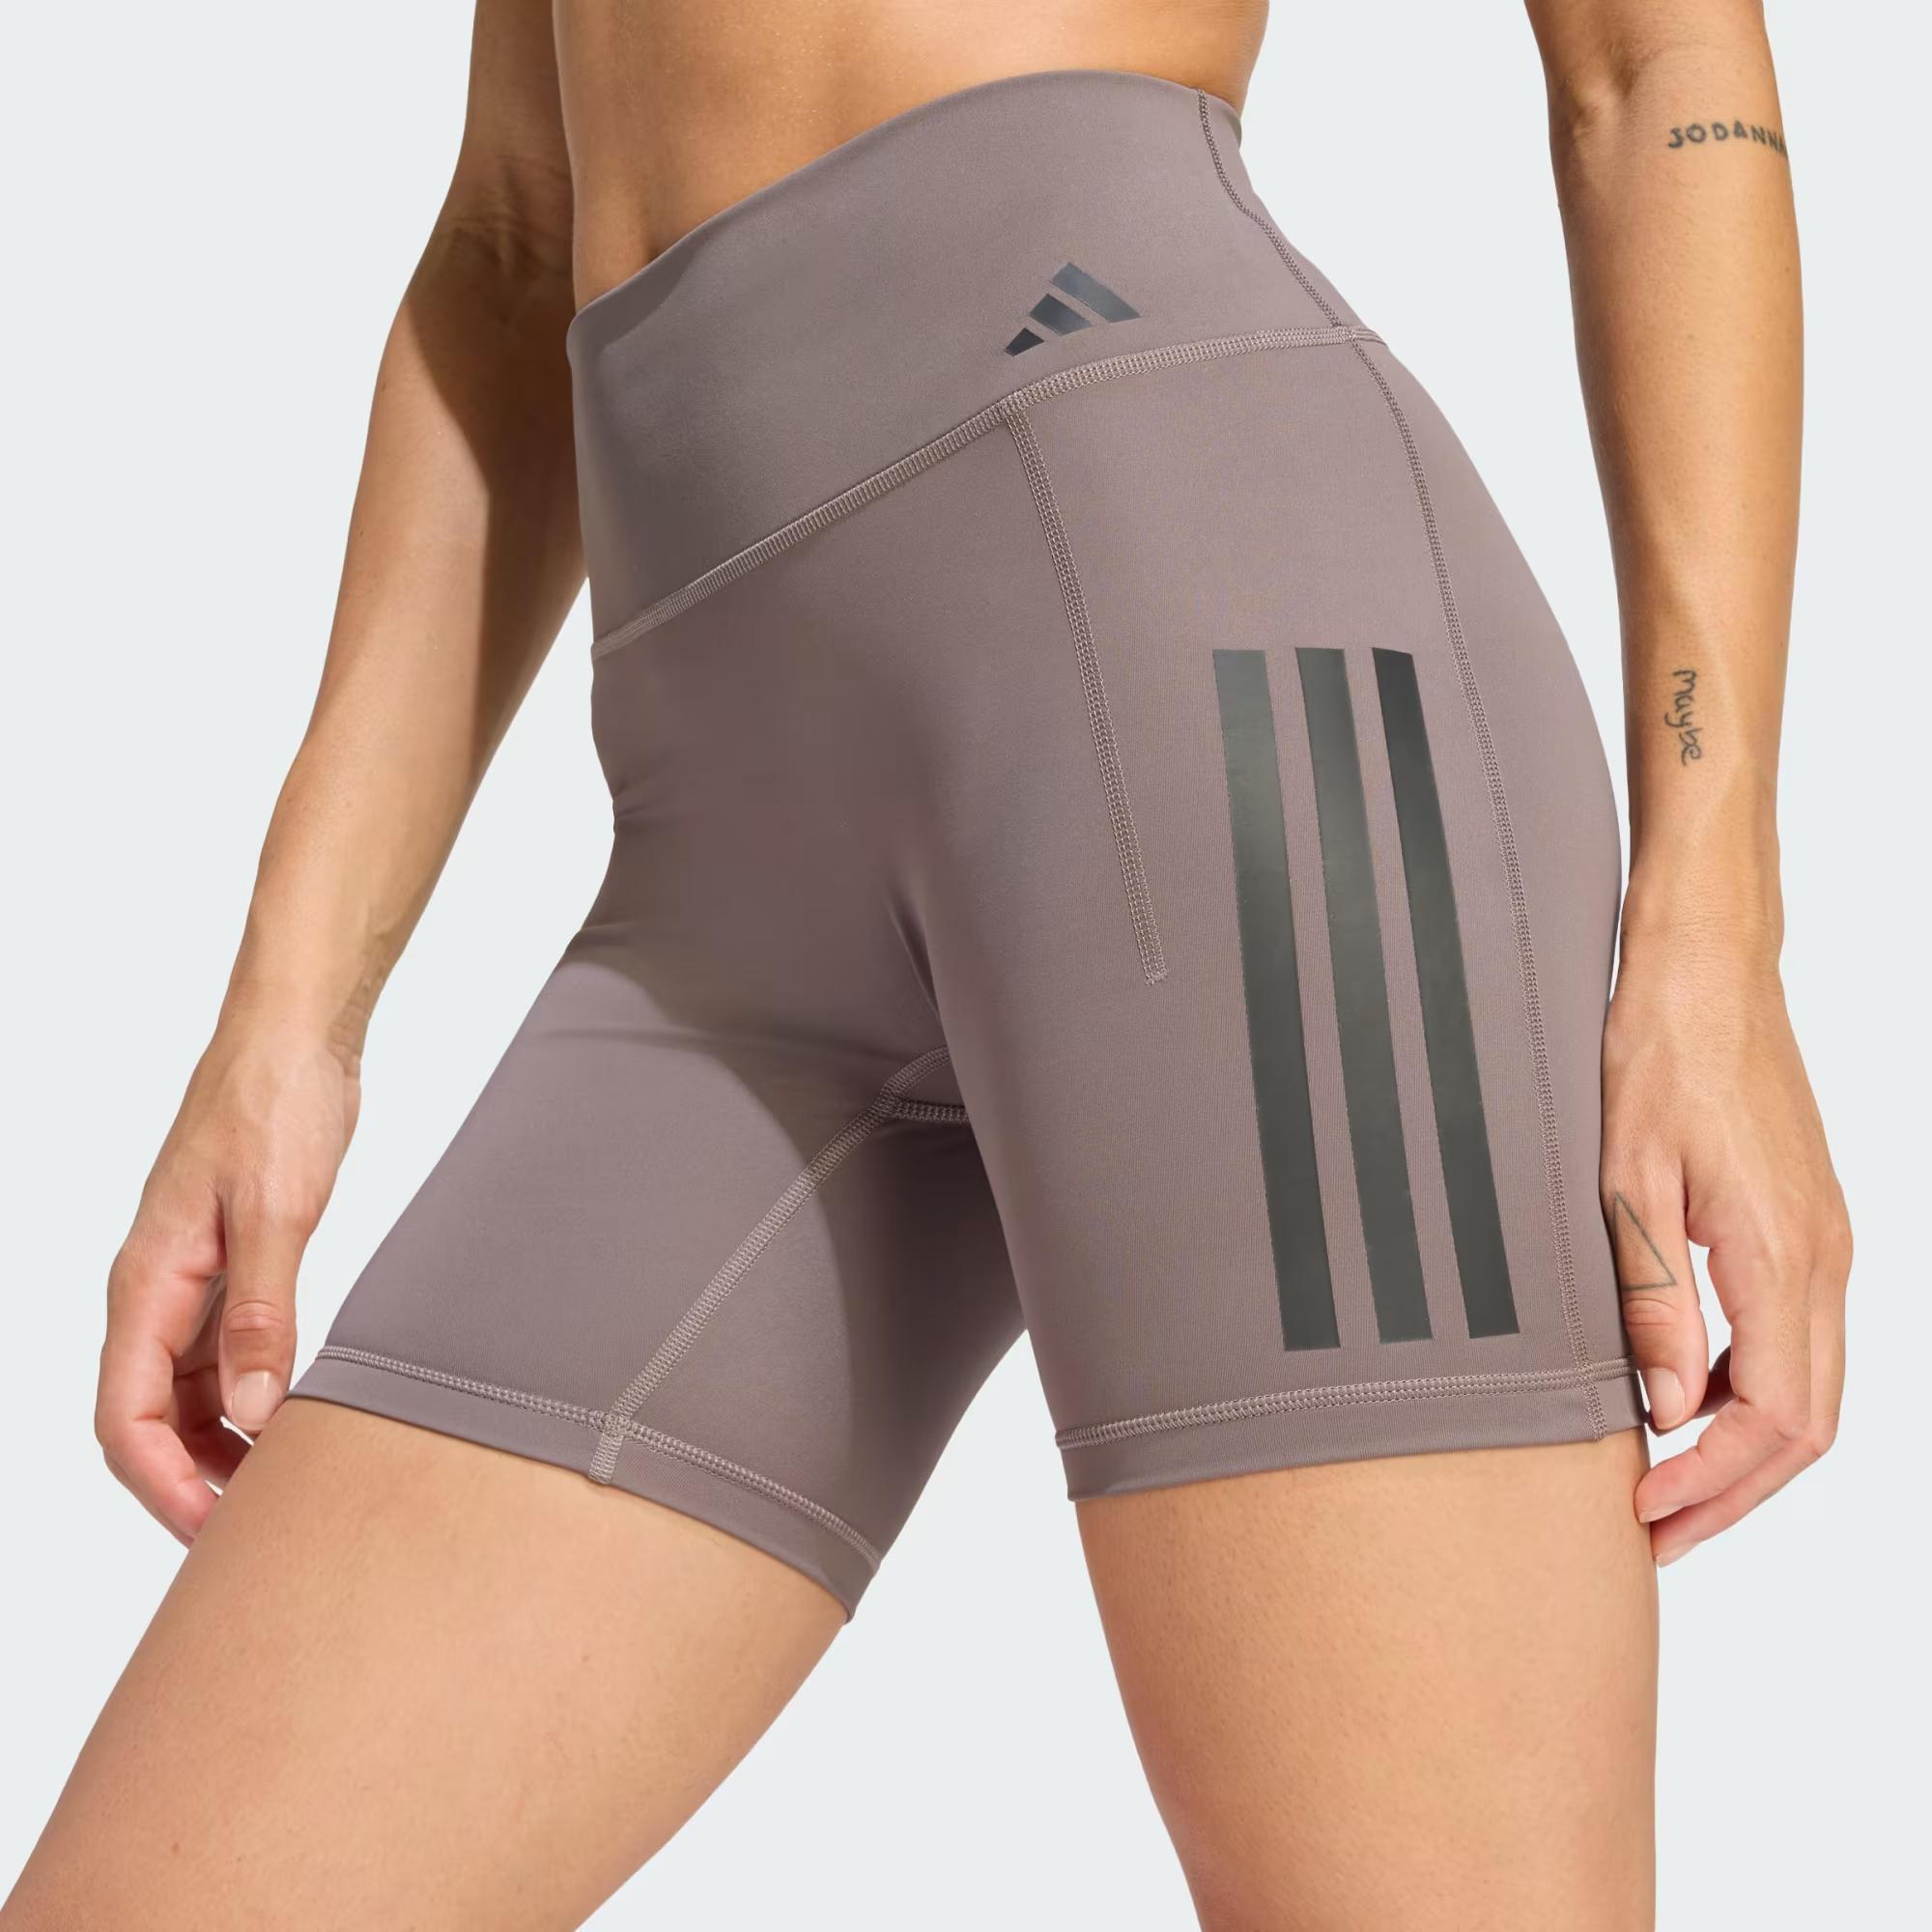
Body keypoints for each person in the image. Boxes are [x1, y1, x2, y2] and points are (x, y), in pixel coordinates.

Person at [6, 1, 1848, 1925]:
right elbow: (516, 235)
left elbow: (1655, 68)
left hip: (1223, 686)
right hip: (720, 863)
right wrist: (283, 1025)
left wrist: (1715, 940)